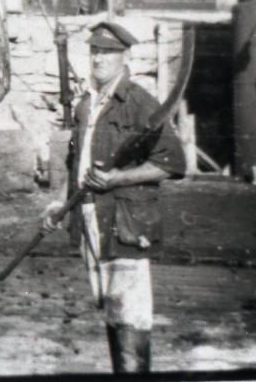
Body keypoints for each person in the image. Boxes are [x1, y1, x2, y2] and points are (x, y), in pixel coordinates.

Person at [43, 21, 186, 373]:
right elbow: (73, 160)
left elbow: (172, 163)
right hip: (88, 217)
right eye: (94, 51)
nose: (98, 59)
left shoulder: (139, 102)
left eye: (107, 53)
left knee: (130, 313)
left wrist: (118, 177)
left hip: (124, 220)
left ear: (124, 57)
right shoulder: (86, 105)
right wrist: (59, 203)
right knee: (110, 305)